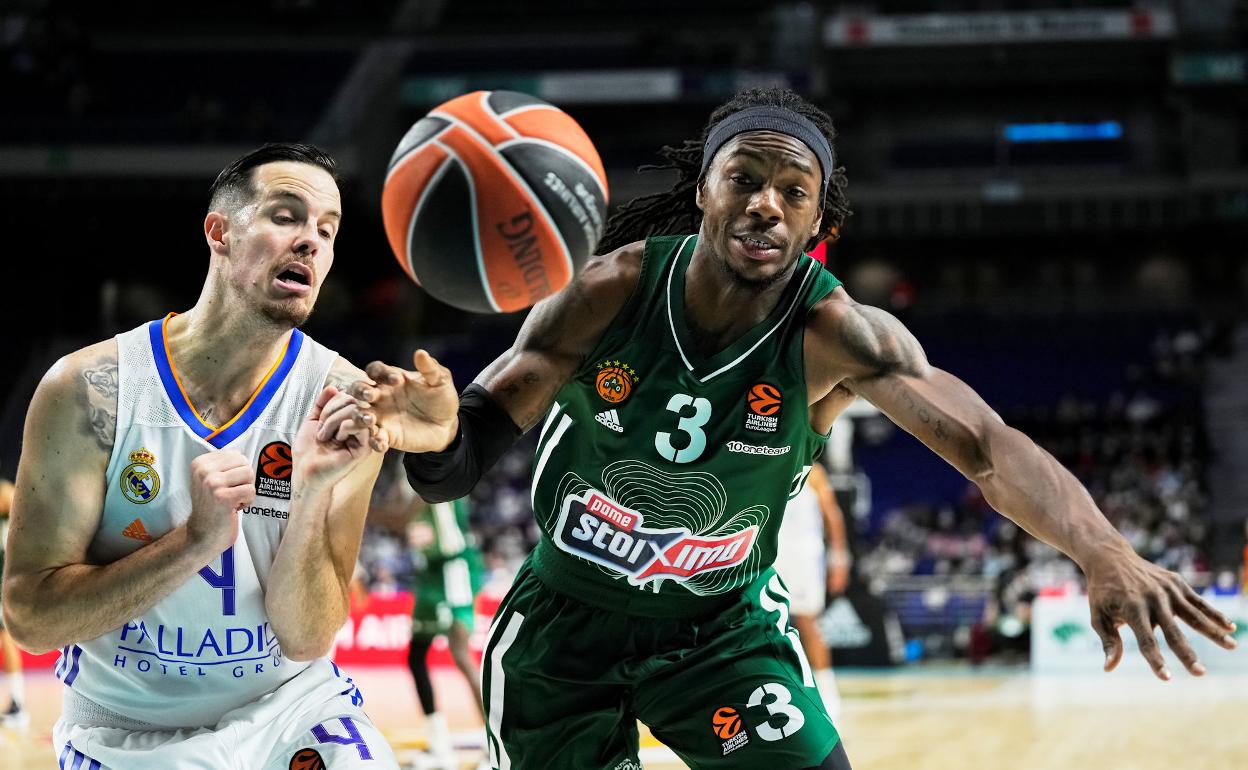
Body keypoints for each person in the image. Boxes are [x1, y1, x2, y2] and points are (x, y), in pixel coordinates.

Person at [347, 88, 1238, 770]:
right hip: (564, 628)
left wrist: (1102, 551)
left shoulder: (838, 336)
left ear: (819, 221)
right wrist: (431, 437)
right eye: (744, 179)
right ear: (704, 191)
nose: (766, 203)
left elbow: (986, 445)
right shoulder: (606, 292)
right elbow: (466, 455)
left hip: (721, 633)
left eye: (792, 190)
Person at [2, 144, 398, 769]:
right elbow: (31, 618)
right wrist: (193, 543)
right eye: (286, 216)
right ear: (219, 232)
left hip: (289, 710)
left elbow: (307, 636)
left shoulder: (342, 400)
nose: (311, 242)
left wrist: (315, 489)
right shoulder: (88, 389)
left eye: (327, 229)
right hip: (125, 726)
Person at [405, 494, 487, 770]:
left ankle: (496, 745)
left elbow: (404, 514)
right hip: (430, 571)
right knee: (416, 657)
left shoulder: (432, 458)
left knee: (461, 654)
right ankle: (440, 747)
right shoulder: (405, 468)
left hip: (453, 567)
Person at [775, 462, 848, 721]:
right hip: (773, 552)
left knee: (809, 623)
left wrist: (839, 558)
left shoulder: (814, 471)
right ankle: (776, 691)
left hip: (804, 553)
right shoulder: (768, 462)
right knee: (766, 622)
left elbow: (832, 514)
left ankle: (829, 695)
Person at [0, 478, 28, 730]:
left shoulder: (6, 493)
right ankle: (17, 704)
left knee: (6, 638)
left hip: (3, 582)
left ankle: (18, 704)